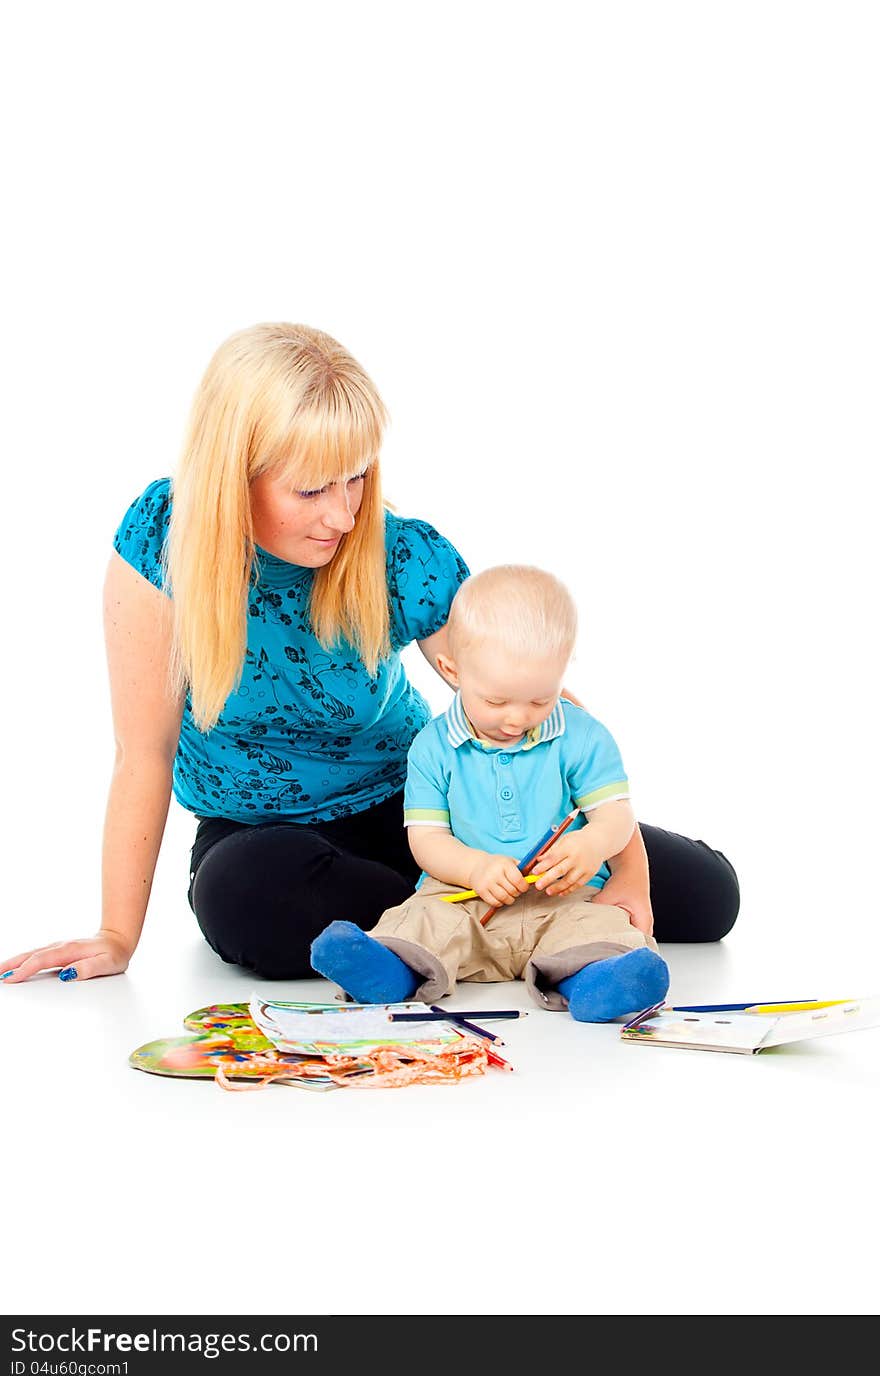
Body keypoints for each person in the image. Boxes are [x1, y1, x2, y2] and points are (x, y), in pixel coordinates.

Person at [0, 323, 739, 987]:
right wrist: (115, 934)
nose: (343, 513)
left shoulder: (397, 552)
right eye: (312, 487)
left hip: (425, 812)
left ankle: (456, 921)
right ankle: (490, 920)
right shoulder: (162, 541)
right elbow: (143, 753)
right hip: (262, 835)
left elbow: (521, 691)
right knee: (249, 898)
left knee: (709, 898)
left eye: (357, 477)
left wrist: (627, 859)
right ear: (235, 474)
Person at [311, 566, 671, 1021]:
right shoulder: (432, 747)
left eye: (540, 700)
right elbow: (426, 840)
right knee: (421, 919)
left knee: (599, 926)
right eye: (496, 702)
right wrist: (475, 867)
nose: (517, 719)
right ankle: (389, 973)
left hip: (564, 898)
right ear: (451, 670)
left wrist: (590, 844)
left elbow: (616, 815)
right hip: (465, 896)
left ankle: (598, 982)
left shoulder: (582, 734)